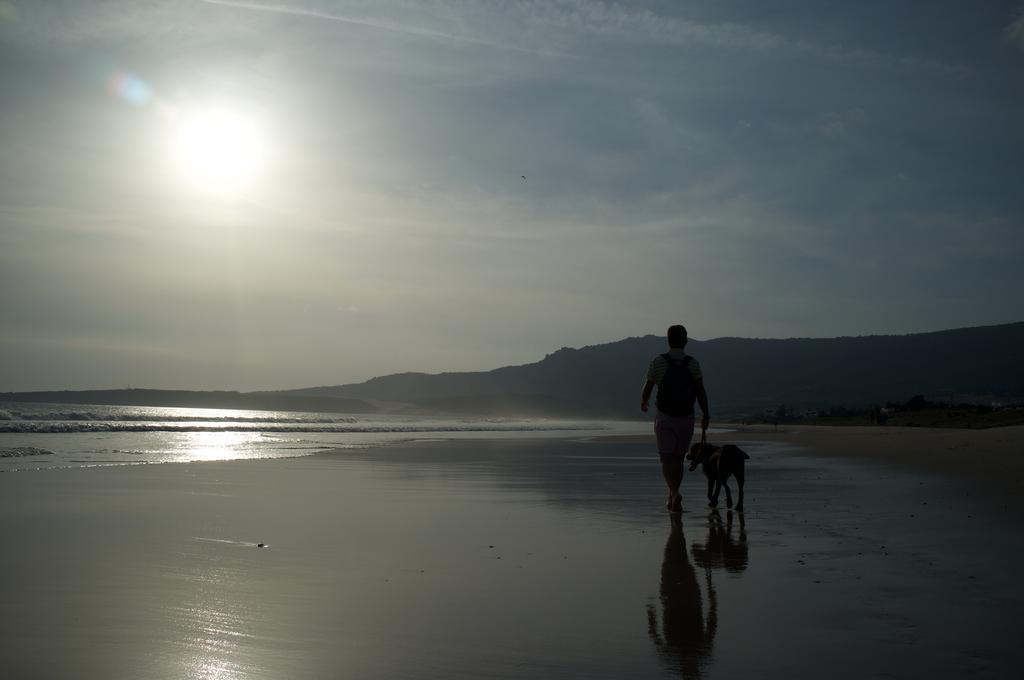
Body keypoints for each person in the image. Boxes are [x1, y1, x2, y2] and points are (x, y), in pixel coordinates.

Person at [640, 324, 710, 512]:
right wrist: (706, 414)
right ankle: (674, 493)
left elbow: (648, 386)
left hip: (665, 417)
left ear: (668, 341)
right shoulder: (693, 363)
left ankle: (673, 493)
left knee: (666, 458)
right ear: (685, 341)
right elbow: (700, 391)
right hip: (686, 418)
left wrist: (644, 402)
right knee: (678, 459)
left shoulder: (658, 361)